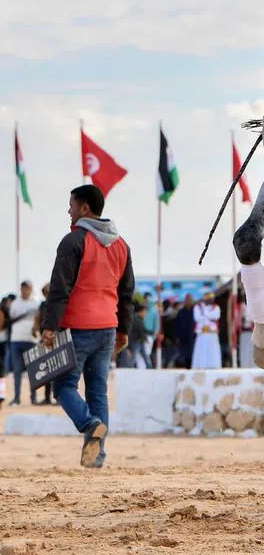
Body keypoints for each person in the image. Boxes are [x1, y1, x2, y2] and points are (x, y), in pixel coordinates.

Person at [40, 185, 134, 468]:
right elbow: (127, 293)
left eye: (71, 205)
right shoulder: (121, 246)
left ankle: (89, 423)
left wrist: (49, 326)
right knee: (97, 391)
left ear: (84, 209)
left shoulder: (73, 241)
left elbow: (60, 288)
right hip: (107, 328)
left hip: (76, 327)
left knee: (64, 387)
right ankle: (97, 455)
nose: (68, 211)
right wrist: (123, 330)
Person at [5, 281, 40, 405]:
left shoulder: (36, 303)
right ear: (21, 289)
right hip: (16, 340)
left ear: (31, 289)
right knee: (17, 370)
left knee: (33, 371)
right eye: (24, 288)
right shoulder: (15, 304)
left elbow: (38, 319)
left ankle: (34, 397)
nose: (26, 290)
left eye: (28, 288)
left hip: (31, 341)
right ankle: (16, 397)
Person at [191, 294, 222, 369]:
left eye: (212, 298)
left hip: (212, 333)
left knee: (213, 351)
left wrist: (204, 314)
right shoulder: (197, 307)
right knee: (201, 350)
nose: (211, 300)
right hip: (202, 334)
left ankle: (214, 365)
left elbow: (216, 316)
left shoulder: (216, 307)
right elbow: (197, 318)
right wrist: (208, 316)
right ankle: (200, 366)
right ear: (205, 299)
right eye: (209, 298)